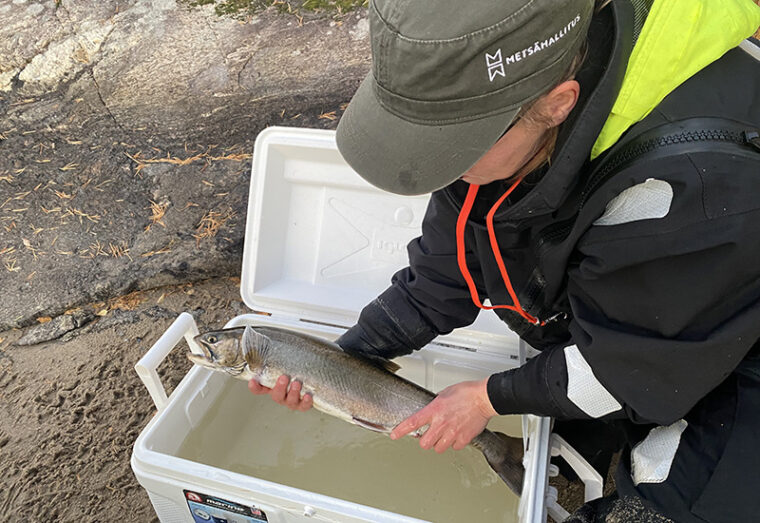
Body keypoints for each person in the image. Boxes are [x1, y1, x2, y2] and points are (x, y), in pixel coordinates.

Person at [249, 0, 760, 521]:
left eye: (454, 146)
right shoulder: (501, 128)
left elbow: (632, 365)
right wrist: (336, 366)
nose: (434, 167)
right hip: (640, 310)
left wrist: (489, 399)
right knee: (578, 406)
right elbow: (444, 275)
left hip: (731, 334)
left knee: (675, 500)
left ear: (558, 103)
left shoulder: (691, 183)